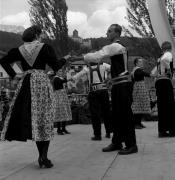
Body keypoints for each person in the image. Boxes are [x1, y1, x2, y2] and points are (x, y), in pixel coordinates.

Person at [0, 25, 70, 168]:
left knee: (35, 120)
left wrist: (14, 75)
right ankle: (43, 156)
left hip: (26, 84)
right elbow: (55, 66)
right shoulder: (45, 47)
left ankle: (42, 156)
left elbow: (3, 61)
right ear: (37, 35)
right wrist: (65, 59)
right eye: (41, 33)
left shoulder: (19, 49)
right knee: (46, 118)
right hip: (42, 83)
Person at [71, 24, 138, 154]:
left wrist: (79, 58)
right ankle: (117, 142)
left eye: (109, 31)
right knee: (116, 115)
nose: (106, 33)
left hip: (122, 85)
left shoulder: (116, 46)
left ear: (117, 33)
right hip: (118, 84)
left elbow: (97, 55)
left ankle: (131, 145)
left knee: (125, 115)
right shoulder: (116, 48)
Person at [71, 62, 112, 140]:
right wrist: (107, 74)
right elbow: (113, 68)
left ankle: (97, 135)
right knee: (106, 112)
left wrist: (72, 78)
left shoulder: (87, 68)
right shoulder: (104, 65)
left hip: (93, 91)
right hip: (103, 90)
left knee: (95, 114)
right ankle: (108, 132)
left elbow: (76, 77)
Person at [151, 41, 175, 137]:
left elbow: (153, 72)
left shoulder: (159, 58)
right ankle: (172, 130)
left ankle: (162, 131)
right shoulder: (168, 54)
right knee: (170, 105)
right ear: (170, 48)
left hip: (159, 82)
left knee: (161, 106)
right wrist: (169, 69)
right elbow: (166, 60)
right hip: (165, 81)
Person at [49, 68, 72, 135]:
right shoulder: (56, 78)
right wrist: (69, 79)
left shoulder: (60, 78)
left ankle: (63, 128)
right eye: (59, 71)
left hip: (63, 95)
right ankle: (59, 129)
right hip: (58, 96)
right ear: (56, 72)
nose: (61, 72)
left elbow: (63, 81)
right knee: (60, 112)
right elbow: (61, 82)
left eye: (61, 71)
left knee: (64, 112)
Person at [131, 58, 152, 129]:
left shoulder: (137, 70)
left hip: (140, 89)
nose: (141, 63)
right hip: (138, 89)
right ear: (136, 63)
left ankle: (138, 122)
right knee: (138, 105)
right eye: (140, 62)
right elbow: (144, 74)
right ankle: (135, 123)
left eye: (142, 61)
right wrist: (151, 74)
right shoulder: (137, 70)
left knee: (141, 105)